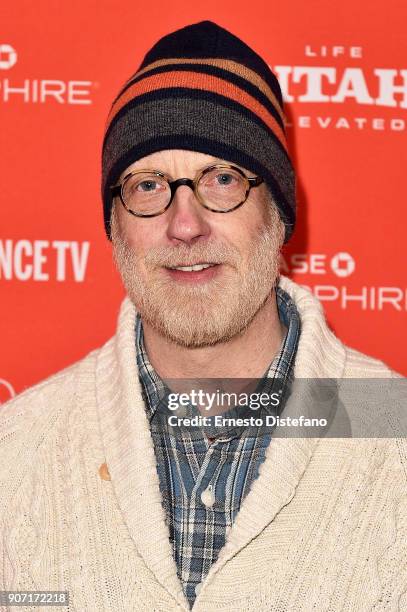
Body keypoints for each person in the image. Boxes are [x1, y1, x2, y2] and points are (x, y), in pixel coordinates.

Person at [0, 20, 406, 612]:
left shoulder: (392, 429)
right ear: (115, 227)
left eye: (222, 179)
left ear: (278, 215)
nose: (184, 225)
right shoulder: (19, 447)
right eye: (147, 186)